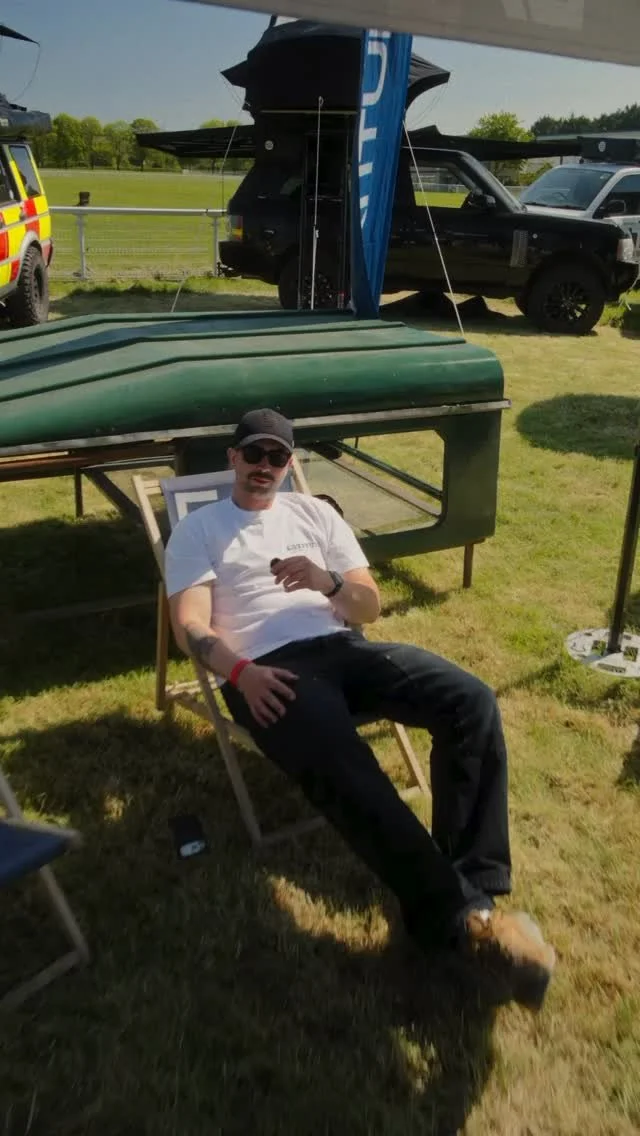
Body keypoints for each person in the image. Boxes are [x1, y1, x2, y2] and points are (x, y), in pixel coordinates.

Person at [165, 408, 556, 1011]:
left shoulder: (315, 514)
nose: (265, 466)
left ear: (289, 464)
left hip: (343, 648)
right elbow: (189, 626)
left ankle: (475, 891)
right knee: (343, 760)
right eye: (254, 454)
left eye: (277, 456)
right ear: (232, 458)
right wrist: (241, 674)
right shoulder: (199, 529)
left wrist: (326, 582)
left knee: (470, 701)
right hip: (266, 670)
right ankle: (465, 921)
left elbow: (368, 606)